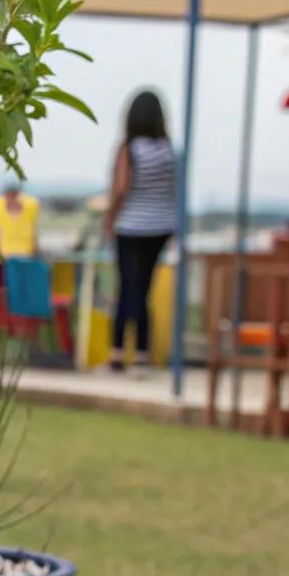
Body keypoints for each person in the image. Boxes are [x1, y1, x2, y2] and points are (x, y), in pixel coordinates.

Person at [105, 90, 177, 371]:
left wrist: (109, 217)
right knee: (143, 291)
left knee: (126, 289)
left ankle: (118, 352)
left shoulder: (129, 148)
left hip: (131, 226)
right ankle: (144, 354)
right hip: (160, 227)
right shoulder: (169, 150)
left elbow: (121, 187)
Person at [0, 180, 39, 259]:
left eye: (15, 194)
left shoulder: (32, 206)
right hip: (4, 256)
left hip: (28, 255)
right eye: (10, 194)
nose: (12, 197)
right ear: (4, 195)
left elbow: (36, 231)